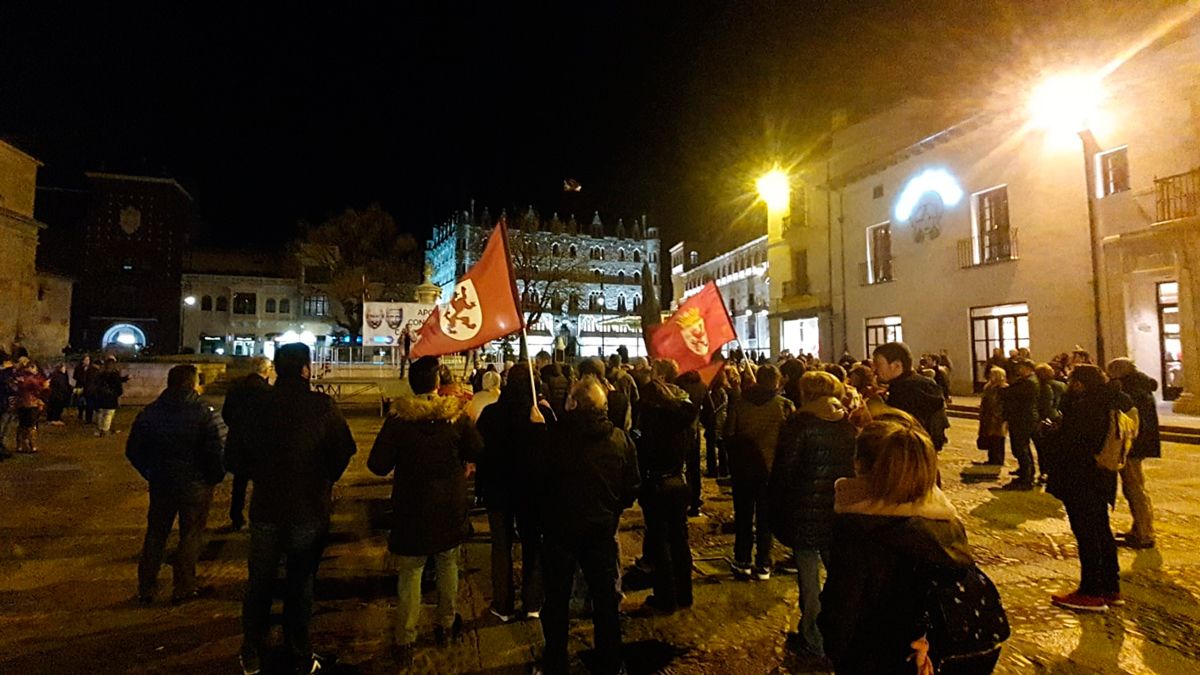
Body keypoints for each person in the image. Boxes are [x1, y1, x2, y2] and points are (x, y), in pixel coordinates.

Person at [819, 420, 976, 673]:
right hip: (926, 655)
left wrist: (835, 649)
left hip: (872, 656)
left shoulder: (858, 527)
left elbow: (842, 608)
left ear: (862, 466)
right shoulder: (947, 522)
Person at [237, 343, 357, 675]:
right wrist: (325, 478)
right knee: (300, 582)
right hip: (308, 506)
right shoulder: (321, 406)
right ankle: (300, 654)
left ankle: (252, 651)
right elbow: (344, 449)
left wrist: (260, 473)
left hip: (266, 506)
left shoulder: (256, 407)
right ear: (306, 369)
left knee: (259, 581)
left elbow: (233, 457)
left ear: (276, 368)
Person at [368, 355, 482, 666]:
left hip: (411, 507)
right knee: (448, 565)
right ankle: (446, 624)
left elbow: (377, 464)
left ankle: (406, 637)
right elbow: (477, 450)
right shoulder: (455, 417)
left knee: (411, 573)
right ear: (437, 384)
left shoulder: (399, 421)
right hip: (449, 505)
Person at [535, 377, 640, 675]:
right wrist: (611, 510)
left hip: (560, 533)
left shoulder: (553, 438)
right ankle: (610, 661)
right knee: (605, 601)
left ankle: (555, 662)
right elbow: (631, 486)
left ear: (574, 403)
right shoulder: (620, 439)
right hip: (600, 532)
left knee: (556, 601)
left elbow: (538, 485)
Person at [125, 364, 226, 604]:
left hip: (162, 481)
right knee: (190, 535)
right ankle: (184, 586)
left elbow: (133, 449)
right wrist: (212, 476)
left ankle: (146, 587)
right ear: (193, 383)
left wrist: (150, 471)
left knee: (156, 534)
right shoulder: (205, 412)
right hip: (195, 483)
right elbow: (218, 449)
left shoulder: (151, 412)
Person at [1043, 364, 1131, 612]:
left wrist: (1052, 433)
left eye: (1072, 380)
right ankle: (1110, 587)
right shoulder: (1108, 401)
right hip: (1101, 476)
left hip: (1080, 476)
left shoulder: (1085, 407)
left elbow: (1073, 444)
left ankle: (1091, 591)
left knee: (1087, 533)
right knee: (1101, 530)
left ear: (1080, 383)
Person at [476, 363, 553, 623]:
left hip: (499, 489)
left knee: (501, 547)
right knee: (533, 544)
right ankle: (532, 601)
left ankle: (503, 603)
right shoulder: (541, 413)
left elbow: (482, 450)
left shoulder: (491, 413)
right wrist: (539, 428)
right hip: (532, 491)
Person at [636, 358, 698, 613]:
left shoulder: (651, 407)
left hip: (656, 480)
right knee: (680, 538)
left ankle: (665, 597)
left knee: (659, 541)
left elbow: (643, 444)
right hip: (678, 479)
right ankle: (685, 593)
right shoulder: (685, 406)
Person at [724, 365, 794, 580]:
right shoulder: (783, 406)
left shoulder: (739, 404)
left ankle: (742, 560)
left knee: (744, 516)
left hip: (743, 470)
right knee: (766, 518)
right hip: (771, 470)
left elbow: (728, 434)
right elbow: (790, 439)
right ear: (776, 382)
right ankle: (763, 562)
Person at [1106, 358, 1161, 550]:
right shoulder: (1140, 385)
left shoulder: (1130, 391)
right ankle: (1139, 529)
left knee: (1134, 488)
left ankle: (1145, 533)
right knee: (1135, 487)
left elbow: (1130, 420)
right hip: (1138, 444)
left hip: (1132, 445)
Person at [223, 356, 273, 532]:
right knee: (262, 483)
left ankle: (236, 516)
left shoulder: (236, 389)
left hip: (239, 441)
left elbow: (226, 414)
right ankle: (259, 517)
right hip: (260, 444)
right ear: (266, 371)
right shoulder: (268, 392)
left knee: (239, 483)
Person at [872, 342, 948, 450]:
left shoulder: (905, 390)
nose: (874, 370)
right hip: (926, 453)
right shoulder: (923, 384)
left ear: (896, 365)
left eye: (878, 364)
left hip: (909, 454)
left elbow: (898, 432)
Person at [1000, 359, 1040, 490]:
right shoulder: (1026, 381)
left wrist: (1003, 389)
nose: (1018, 370)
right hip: (1021, 418)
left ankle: (1026, 478)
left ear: (1027, 368)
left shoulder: (1029, 382)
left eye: (1021, 367)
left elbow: (1012, 394)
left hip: (1023, 419)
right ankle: (1026, 472)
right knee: (1022, 447)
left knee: (1020, 448)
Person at [700, 369, 730, 479]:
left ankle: (712, 470)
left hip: (714, 422)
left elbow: (709, 408)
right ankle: (724, 469)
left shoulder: (714, 393)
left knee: (711, 447)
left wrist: (704, 417)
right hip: (722, 420)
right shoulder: (724, 391)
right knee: (721, 446)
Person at [13, 361, 48, 453]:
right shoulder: (32, 380)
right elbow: (39, 390)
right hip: (31, 404)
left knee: (22, 425)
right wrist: (45, 386)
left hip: (21, 404)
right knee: (31, 425)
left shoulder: (20, 379)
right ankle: (33, 445)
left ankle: (20, 445)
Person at [976, 367, 1007, 467]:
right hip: (988, 416)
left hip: (997, 418)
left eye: (993, 374)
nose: (991, 376)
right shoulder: (989, 387)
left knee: (998, 439)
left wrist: (999, 415)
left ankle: (998, 459)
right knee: (990, 437)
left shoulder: (1003, 388)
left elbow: (1003, 404)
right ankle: (991, 458)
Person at [90, 356, 127, 437]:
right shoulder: (114, 374)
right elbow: (118, 386)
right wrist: (118, 393)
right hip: (111, 397)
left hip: (100, 396)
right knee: (108, 414)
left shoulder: (100, 374)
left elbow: (96, 384)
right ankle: (105, 430)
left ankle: (100, 429)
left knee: (101, 413)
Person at [73, 355, 98, 424]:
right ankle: (80, 414)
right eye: (85, 360)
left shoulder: (94, 369)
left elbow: (95, 379)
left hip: (89, 389)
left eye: (88, 360)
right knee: (80, 403)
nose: (87, 361)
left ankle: (88, 419)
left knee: (90, 404)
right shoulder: (78, 368)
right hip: (81, 387)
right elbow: (75, 376)